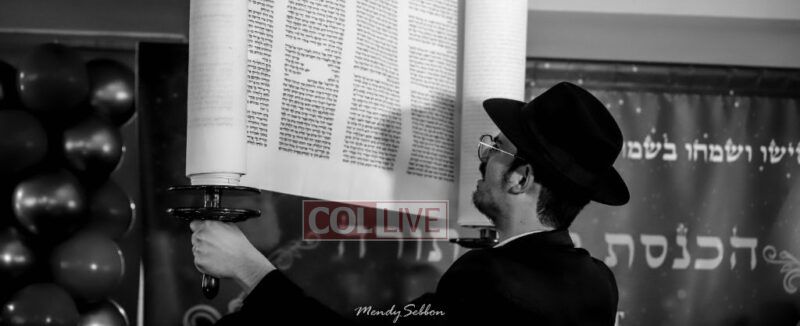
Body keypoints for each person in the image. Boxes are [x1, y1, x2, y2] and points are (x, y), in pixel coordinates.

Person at [190, 81, 629, 324]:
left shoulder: (489, 278)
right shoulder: (597, 283)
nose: (482, 158)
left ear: (521, 178)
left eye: (494, 147)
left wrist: (249, 267)